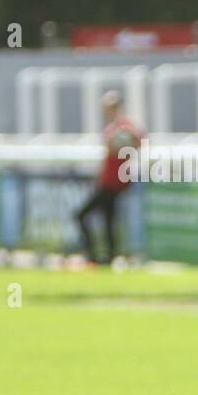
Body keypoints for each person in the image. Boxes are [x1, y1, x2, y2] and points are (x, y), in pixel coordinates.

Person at [75, 90, 141, 265]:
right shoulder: (111, 129)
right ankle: (107, 258)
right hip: (108, 181)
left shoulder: (125, 127)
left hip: (115, 183)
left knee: (82, 215)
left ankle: (95, 256)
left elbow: (138, 142)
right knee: (108, 219)